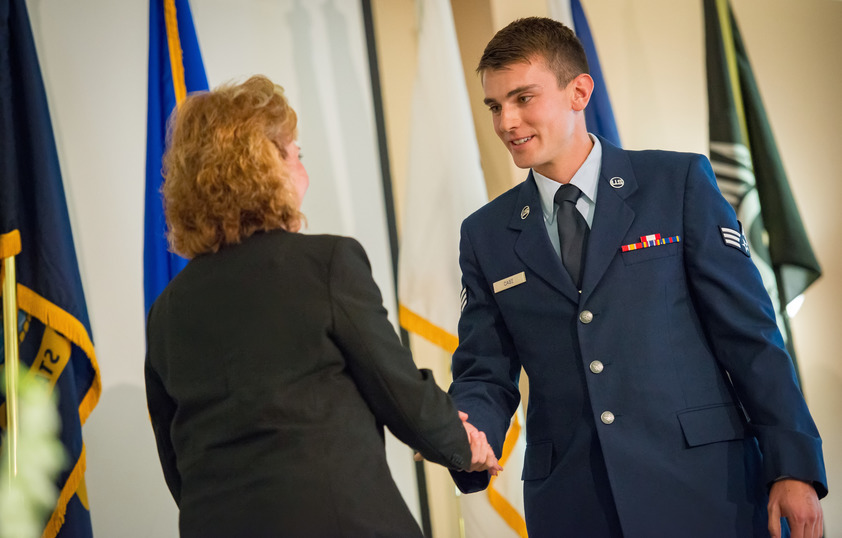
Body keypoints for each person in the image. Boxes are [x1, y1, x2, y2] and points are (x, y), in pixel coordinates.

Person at [448, 17, 826, 538]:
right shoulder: (485, 233)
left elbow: (750, 337)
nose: (506, 122)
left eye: (523, 98)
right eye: (495, 106)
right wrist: (469, 432)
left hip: (705, 490)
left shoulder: (678, 184)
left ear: (579, 91)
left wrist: (794, 466)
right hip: (574, 504)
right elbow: (484, 371)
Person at [144, 75, 501, 538]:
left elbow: (176, 460)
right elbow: (397, 389)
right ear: (263, 167)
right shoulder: (326, 264)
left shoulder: (168, 309)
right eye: (296, 153)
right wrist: (465, 445)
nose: (303, 167)